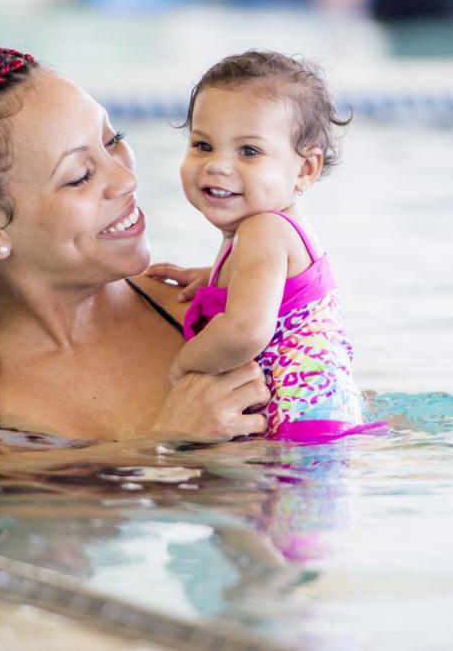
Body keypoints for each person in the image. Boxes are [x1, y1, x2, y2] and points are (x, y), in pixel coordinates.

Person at [0, 28, 269, 442]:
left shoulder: (221, 316)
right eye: (79, 176)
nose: (126, 179)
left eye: (113, 140)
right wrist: (170, 442)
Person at [161, 50, 380, 441]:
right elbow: (277, 294)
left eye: (249, 151)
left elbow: (245, 332)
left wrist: (181, 368)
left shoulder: (263, 230)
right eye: (203, 146)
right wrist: (213, 281)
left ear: (304, 169)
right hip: (323, 418)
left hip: (298, 433)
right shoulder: (273, 230)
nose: (218, 166)